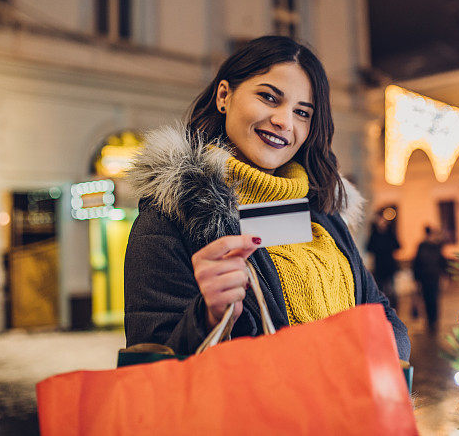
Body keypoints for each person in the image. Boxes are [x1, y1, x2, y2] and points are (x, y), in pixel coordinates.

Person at [123, 35, 410, 361]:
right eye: (269, 98)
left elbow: (386, 319)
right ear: (223, 96)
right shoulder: (170, 218)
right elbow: (150, 367)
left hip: (344, 411)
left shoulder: (325, 214)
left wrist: (368, 358)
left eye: (302, 112)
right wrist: (208, 317)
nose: (285, 121)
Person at [412, 226, 449, 334]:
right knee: (427, 299)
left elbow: (442, 262)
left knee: (434, 299)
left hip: (434, 277)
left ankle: (433, 321)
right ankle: (430, 320)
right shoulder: (422, 246)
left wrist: (445, 275)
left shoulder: (437, 247)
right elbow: (416, 263)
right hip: (424, 278)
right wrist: (416, 278)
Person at [365, 206, 400, 307]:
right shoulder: (374, 233)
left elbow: (397, 245)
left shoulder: (390, 232)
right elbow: (369, 247)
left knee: (392, 291)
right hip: (379, 267)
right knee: (380, 291)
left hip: (389, 267)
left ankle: (394, 309)